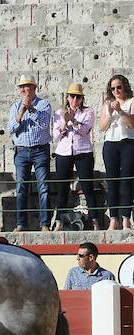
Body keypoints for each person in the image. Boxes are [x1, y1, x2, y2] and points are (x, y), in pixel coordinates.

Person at [7, 74, 52, 232]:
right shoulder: (14, 107)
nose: (24, 90)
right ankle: (21, 224)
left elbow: (45, 124)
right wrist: (20, 113)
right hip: (21, 151)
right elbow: (10, 129)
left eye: (27, 86)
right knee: (21, 188)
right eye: (22, 87)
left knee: (44, 187)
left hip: (40, 150)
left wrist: (31, 109)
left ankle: (45, 224)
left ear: (34, 88)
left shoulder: (44, 104)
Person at [52, 83, 97, 231]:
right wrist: (65, 121)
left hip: (83, 152)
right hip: (63, 152)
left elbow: (85, 131)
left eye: (78, 97)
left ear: (82, 98)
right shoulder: (59, 113)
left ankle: (94, 219)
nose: (75, 99)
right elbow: (56, 135)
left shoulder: (88, 111)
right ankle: (59, 220)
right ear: (67, 97)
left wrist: (74, 120)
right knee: (62, 188)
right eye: (72, 96)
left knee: (87, 186)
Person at [98, 74, 134, 230]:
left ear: (124, 86)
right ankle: (114, 218)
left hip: (128, 142)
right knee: (112, 181)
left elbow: (131, 124)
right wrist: (110, 112)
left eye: (119, 87)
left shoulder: (131, 101)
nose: (116, 90)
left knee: (126, 181)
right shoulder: (107, 104)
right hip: (110, 143)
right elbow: (102, 126)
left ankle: (126, 217)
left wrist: (120, 111)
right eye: (113, 88)